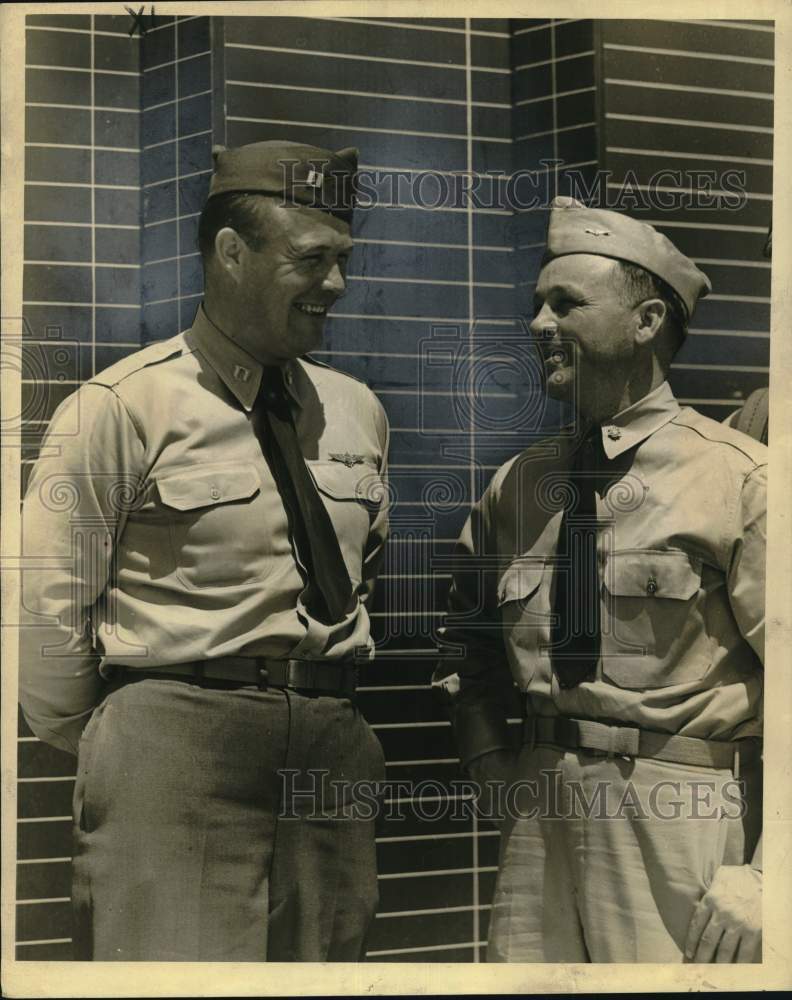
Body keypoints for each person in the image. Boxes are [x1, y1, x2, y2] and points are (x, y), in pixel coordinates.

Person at [19, 141, 390, 961]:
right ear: (231, 252)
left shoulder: (357, 411)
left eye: (343, 259)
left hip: (329, 758)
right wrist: (135, 735)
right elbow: (44, 616)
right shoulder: (123, 407)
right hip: (174, 759)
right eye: (311, 259)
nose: (335, 284)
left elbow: (364, 578)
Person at [434, 197, 765, 963]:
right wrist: (490, 758)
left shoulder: (742, 481)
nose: (540, 324)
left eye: (567, 303)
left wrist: (768, 873)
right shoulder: (520, 484)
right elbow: (467, 639)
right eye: (537, 305)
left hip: (678, 813)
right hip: (539, 816)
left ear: (647, 321)